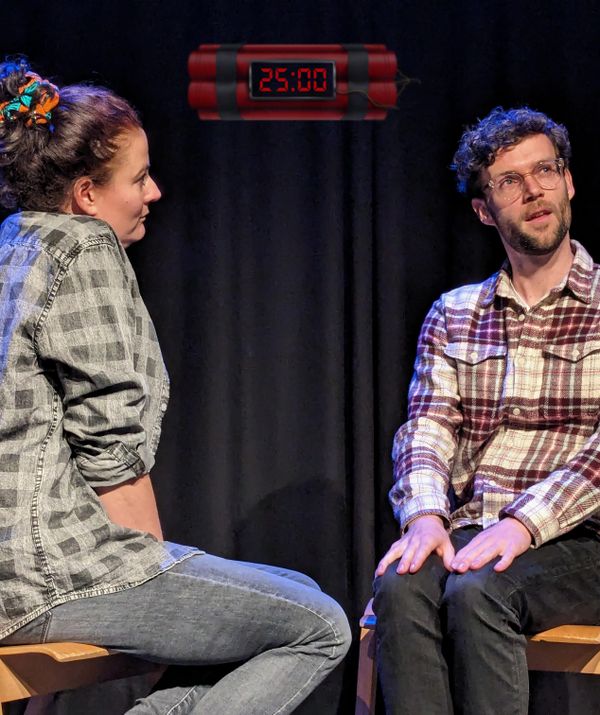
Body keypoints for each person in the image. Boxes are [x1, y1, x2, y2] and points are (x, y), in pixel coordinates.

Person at [0, 58, 350, 714]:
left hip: (23, 569)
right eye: (139, 178)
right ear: (87, 194)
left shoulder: (13, 244)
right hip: (50, 575)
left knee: (290, 590)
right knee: (321, 626)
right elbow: (108, 450)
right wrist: (154, 575)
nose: (154, 192)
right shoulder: (83, 247)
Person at [373, 106, 600, 714]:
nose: (533, 191)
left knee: (479, 592)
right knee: (400, 585)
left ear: (568, 181)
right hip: (476, 527)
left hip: (584, 535)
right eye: (509, 181)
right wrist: (425, 517)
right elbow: (428, 425)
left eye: (545, 171)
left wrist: (524, 524)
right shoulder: (454, 313)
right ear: (483, 210)